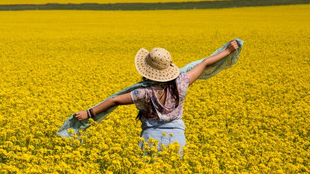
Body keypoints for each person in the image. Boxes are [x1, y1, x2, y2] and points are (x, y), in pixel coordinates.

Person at [74, 40, 239, 151]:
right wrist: (228, 50)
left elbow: (115, 100)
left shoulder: (143, 93)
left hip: (150, 137)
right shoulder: (182, 83)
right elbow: (205, 63)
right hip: (177, 137)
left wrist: (89, 113)